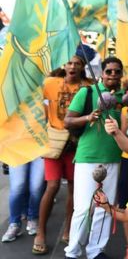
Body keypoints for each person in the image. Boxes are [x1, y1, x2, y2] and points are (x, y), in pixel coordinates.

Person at [63, 57, 125, 259]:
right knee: (82, 207)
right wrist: (87, 117)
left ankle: (96, 251)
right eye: (109, 71)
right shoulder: (88, 92)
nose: (113, 75)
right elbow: (68, 121)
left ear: (121, 74)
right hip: (87, 157)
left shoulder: (125, 98)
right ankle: (72, 251)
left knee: (104, 207)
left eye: (117, 71)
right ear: (102, 73)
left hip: (113, 158)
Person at [32, 49, 93, 254]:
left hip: (78, 144)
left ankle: (69, 230)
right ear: (63, 66)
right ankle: (41, 233)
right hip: (54, 144)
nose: (73, 66)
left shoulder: (89, 87)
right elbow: (29, 96)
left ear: (83, 66)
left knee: (75, 189)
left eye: (77, 63)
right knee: (52, 186)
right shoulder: (50, 83)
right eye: (69, 63)